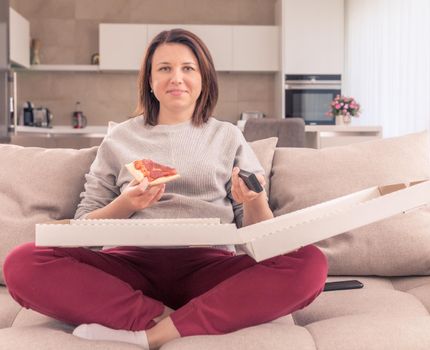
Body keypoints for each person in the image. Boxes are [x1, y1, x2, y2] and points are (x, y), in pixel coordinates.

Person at [2, 29, 328, 349]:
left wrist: (254, 200)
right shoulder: (119, 139)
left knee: (310, 262)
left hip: (210, 266)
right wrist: (126, 204)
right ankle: (177, 319)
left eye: (188, 68)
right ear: (149, 80)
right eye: (164, 69)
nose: (176, 78)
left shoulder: (228, 136)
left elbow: (260, 237)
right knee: (21, 262)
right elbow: (85, 228)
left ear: (204, 79)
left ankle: (155, 333)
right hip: (128, 267)